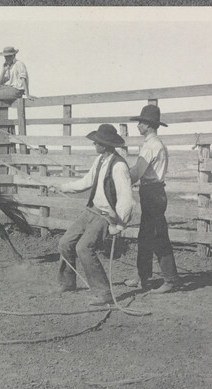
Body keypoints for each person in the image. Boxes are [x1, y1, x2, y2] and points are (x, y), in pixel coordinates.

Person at [50, 124, 134, 306]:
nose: (94, 144)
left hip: (107, 216)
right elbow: (86, 182)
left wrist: (118, 225)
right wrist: (62, 187)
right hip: (92, 210)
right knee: (65, 243)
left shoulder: (119, 166)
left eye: (97, 142)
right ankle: (67, 282)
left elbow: (126, 199)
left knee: (84, 248)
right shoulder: (100, 160)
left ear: (105, 145)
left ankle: (103, 293)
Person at [125, 105, 180, 294]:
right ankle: (142, 276)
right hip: (153, 192)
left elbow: (137, 173)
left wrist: (119, 177)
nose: (138, 125)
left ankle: (171, 280)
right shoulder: (156, 143)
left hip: (152, 194)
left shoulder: (151, 146)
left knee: (158, 236)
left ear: (148, 125)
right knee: (146, 236)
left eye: (140, 122)